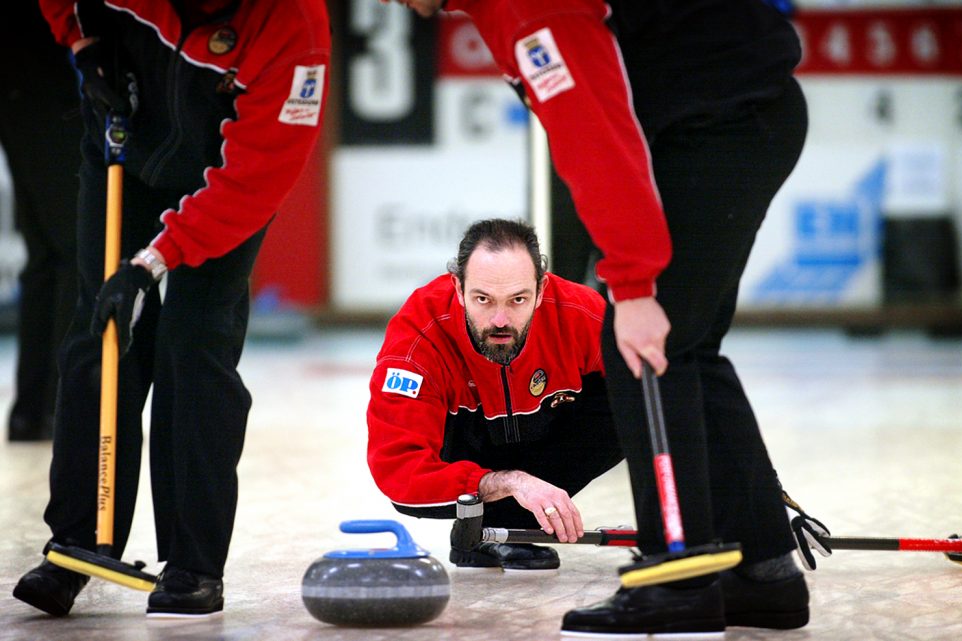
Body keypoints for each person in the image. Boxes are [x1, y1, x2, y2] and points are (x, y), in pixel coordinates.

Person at [391, 0, 811, 636]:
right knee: (687, 347)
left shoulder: (519, 6)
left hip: (720, 122)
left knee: (644, 350)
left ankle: (679, 583)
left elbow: (594, 133)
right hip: (737, 114)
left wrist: (635, 283)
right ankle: (764, 577)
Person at [13, 0, 330, 619]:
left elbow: (256, 176)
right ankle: (76, 542)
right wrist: (83, 45)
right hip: (123, 138)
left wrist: (149, 265)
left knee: (195, 345)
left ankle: (193, 565)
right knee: (99, 332)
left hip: (222, 180)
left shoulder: (294, 27)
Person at [366, 218, 623, 571]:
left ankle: (506, 524)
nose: (500, 320)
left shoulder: (580, 312)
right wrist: (507, 483)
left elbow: (659, 400)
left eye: (518, 299)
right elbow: (398, 472)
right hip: (465, 449)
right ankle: (490, 519)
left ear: (542, 289)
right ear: (458, 288)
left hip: (546, 430)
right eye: (483, 299)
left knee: (631, 401)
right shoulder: (417, 338)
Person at [0, 2, 80, 442]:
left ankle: (34, 410)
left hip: (25, 83)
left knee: (49, 255)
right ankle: (57, 407)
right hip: (40, 81)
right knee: (71, 250)